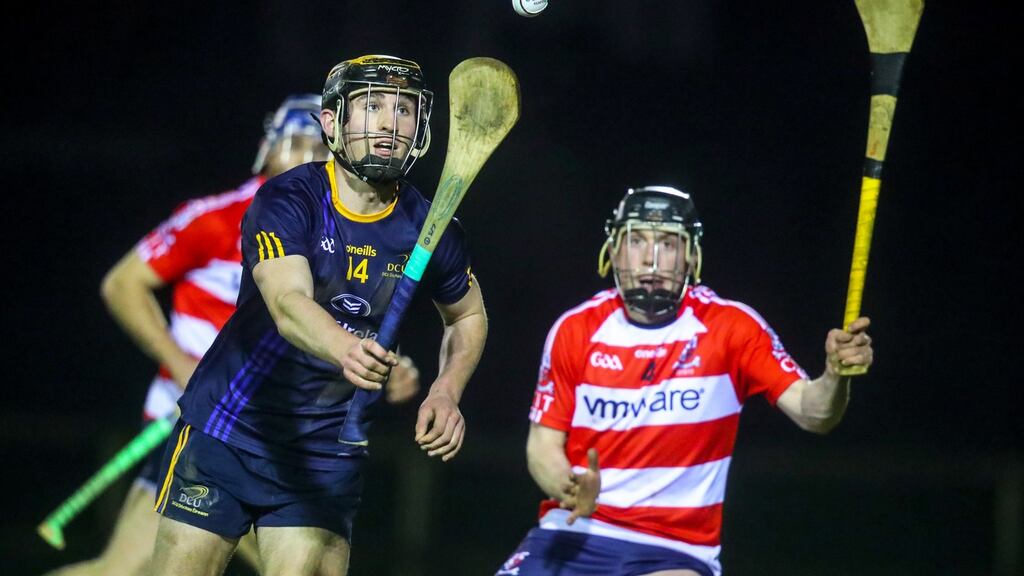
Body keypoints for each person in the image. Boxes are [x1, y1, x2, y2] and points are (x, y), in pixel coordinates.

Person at [42, 94, 420, 576]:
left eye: (318, 147)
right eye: (294, 144)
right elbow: (123, 284)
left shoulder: (347, 232)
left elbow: (349, 319)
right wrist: (180, 364)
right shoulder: (219, 216)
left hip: (288, 431)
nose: (306, 158)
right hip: (203, 422)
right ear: (268, 148)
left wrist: (390, 365)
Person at [148, 54, 487, 576]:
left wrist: (447, 389)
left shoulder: (432, 225)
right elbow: (287, 303)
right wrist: (348, 348)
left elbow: (466, 316)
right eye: (371, 106)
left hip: (327, 449)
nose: (388, 124)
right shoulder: (289, 197)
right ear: (332, 123)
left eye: (403, 109)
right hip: (229, 429)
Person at [496, 186, 873, 576]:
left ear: (692, 255)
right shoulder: (575, 330)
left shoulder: (730, 329)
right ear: (613, 250)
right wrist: (570, 487)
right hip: (571, 534)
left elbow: (815, 413)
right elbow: (542, 446)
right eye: (637, 239)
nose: (651, 258)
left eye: (668, 243)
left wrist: (834, 376)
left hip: (672, 552)